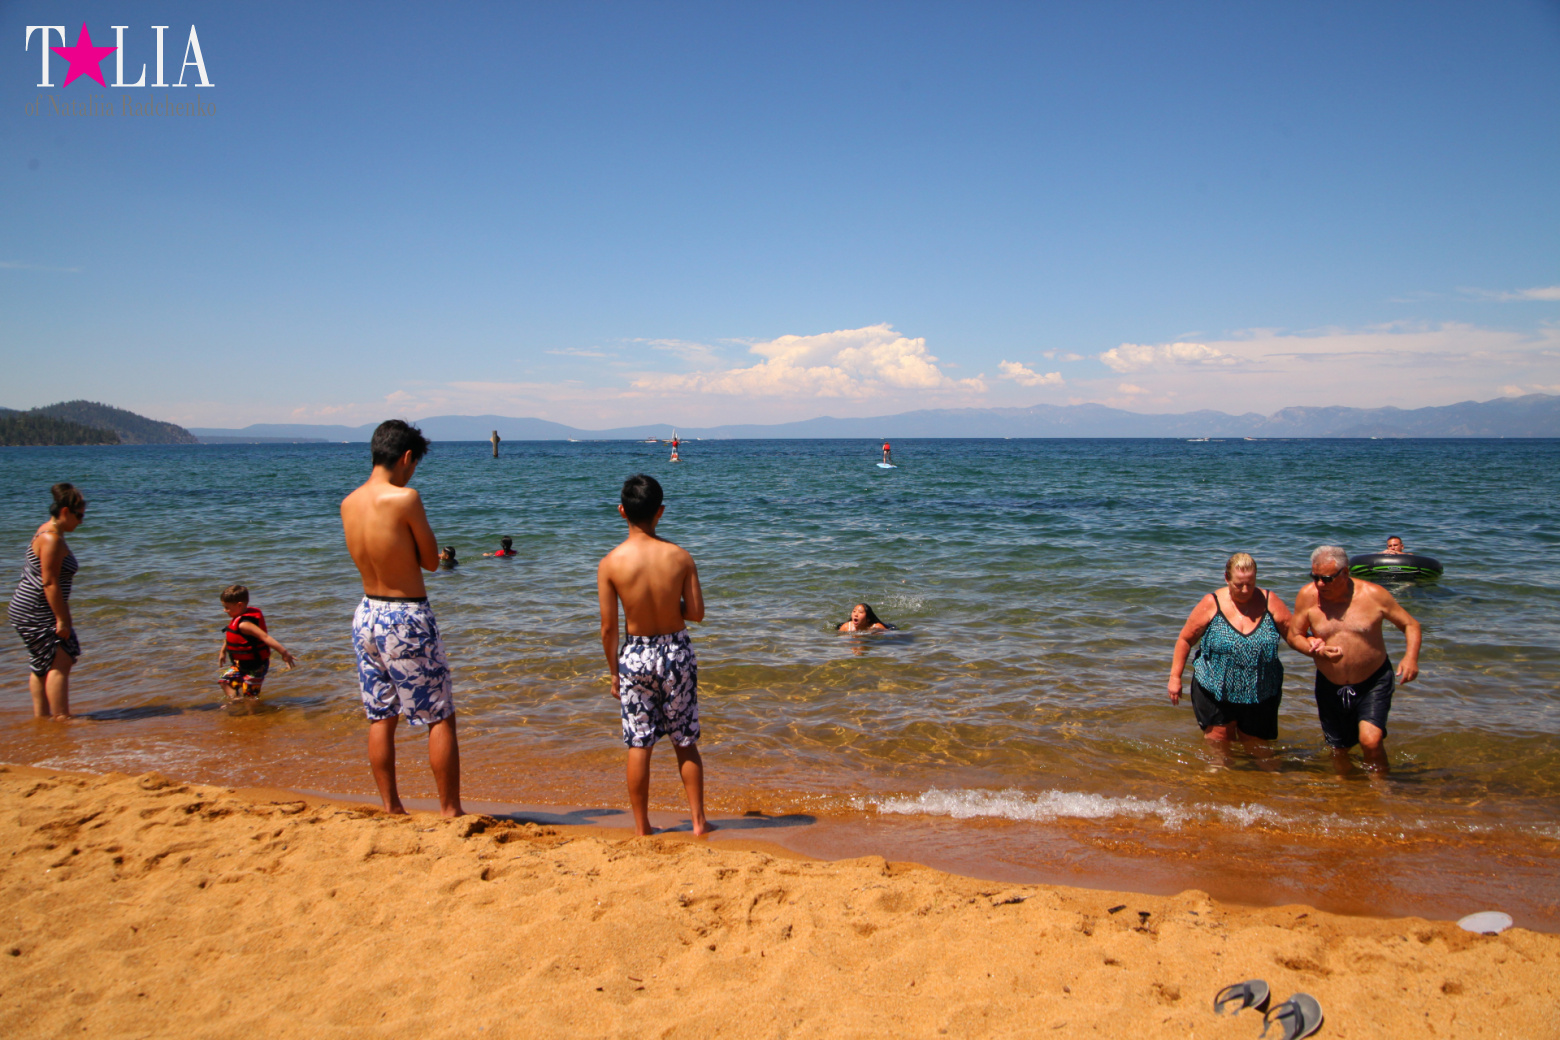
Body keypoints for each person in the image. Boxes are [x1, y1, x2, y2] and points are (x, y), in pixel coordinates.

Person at [340, 419, 463, 817]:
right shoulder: (405, 498)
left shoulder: (349, 502)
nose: (412, 473)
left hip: (366, 614)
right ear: (406, 457)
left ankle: (391, 806)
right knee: (439, 715)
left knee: (381, 715)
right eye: (414, 465)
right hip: (404, 615)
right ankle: (449, 810)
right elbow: (430, 562)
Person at [597, 474, 709, 837]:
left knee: (638, 742)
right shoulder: (680, 556)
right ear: (660, 512)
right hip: (676, 651)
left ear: (621, 512)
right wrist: (668, 602)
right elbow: (696, 613)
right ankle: (697, 822)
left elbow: (608, 629)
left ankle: (642, 826)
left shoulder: (611, 563)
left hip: (636, 654)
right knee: (685, 740)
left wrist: (615, 672)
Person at [1287, 545, 1422, 774]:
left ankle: (1380, 788)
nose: (1320, 584)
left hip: (1373, 680)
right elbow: (1294, 635)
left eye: (1327, 579)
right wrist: (1312, 649)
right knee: (1338, 748)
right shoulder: (1308, 596)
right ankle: (1346, 793)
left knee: (1370, 741)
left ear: (1345, 573)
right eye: (1315, 577)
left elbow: (1410, 625)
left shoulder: (1373, 595)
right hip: (1330, 683)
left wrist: (1410, 658)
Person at [1167, 553, 1292, 766]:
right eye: (1239, 585)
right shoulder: (1211, 603)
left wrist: (1316, 645)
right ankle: (1219, 779)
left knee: (1256, 745)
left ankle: (1269, 784)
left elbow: (1294, 635)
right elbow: (1185, 639)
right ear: (1226, 578)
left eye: (1250, 584)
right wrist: (1175, 677)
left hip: (1260, 689)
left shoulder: (1270, 601)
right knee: (1219, 738)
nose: (1245, 590)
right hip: (1215, 686)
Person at [8, 483, 86, 720]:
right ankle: (61, 718)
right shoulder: (52, 540)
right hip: (37, 609)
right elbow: (50, 583)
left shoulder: (46, 532)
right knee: (59, 662)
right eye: (79, 515)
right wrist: (62, 619)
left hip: (27, 607)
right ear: (64, 512)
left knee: (41, 665)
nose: (81, 521)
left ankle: (42, 720)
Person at [217, 584, 297, 700]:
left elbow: (265, 637)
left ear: (239, 605)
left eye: (227, 607)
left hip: (256, 665)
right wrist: (222, 651)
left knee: (250, 695)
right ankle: (235, 701)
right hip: (240, 664)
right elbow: (231, 636)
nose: (224, 610)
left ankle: (252, 713)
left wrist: (284, 653)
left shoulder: (245, 624)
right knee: (224, 681)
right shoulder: (237, 619)